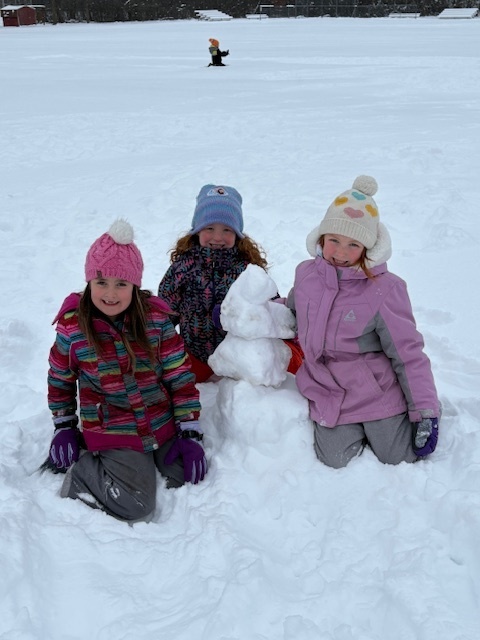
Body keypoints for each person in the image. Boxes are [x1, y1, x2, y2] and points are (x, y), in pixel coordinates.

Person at [45, 219, 207, 522]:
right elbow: (60, 379)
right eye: (101, 282)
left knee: (184, 475)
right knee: (137, 504)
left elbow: (180, 377)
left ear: (135, 285)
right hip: (112, 428)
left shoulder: (155, 321)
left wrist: (190, 431)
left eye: (121, 284)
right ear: (88, 282)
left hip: (159, 421)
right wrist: (65, 427)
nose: (110, 293)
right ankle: (82, 475)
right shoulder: (73, 327)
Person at [288, 175, 440, 468]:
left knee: (398, 457)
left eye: (353, 244)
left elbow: (407, 352)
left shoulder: (384, 289)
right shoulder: (307, 276)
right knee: (334, 461)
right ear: (322, 238)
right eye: (334, 240)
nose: (341, 253)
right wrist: (253, 312)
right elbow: (294, 310)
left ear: (368, 248)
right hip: (327, 390)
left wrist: (425, 411)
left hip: (374, 391)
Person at [158, 184, 303, 383]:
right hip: (195, 354)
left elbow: (270, 310)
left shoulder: (246, 269)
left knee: (287, 369)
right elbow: (165, 314)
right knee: (169, 380)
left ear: (237, 234)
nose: (218, 237)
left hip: (239, 353)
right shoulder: (182, 269)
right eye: (209, 228)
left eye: (227, 230)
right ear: (197, 230)